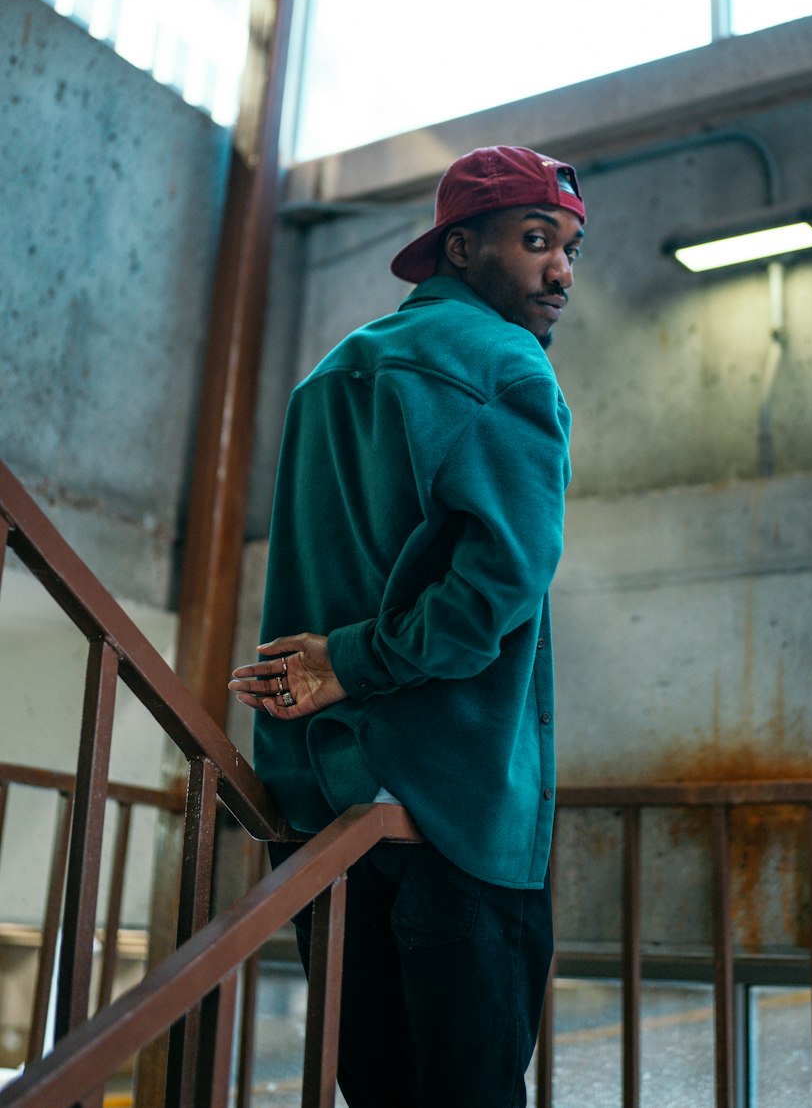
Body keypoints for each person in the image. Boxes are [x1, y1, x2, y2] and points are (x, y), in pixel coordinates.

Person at [229, 145, 586, 1108]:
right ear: (461, 249)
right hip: (454, 810)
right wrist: (357, 661)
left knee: (379, 1091)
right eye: (536, 240)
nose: (560, 270)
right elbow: (494, 593)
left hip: (326, 815)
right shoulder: (510, 373)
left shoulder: (329, 379)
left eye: (570, 249)